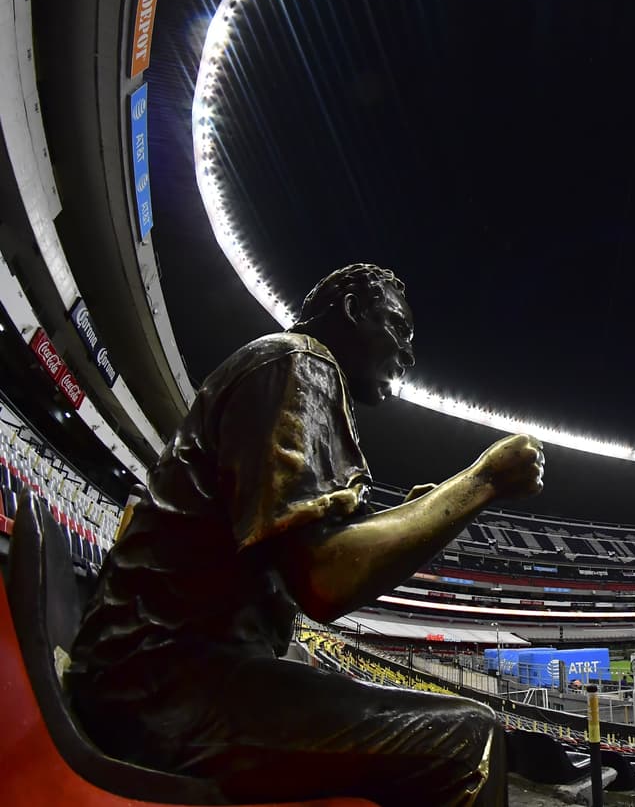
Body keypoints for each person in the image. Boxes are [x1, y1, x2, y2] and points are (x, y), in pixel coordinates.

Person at [66, 264, 544, 807]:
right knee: (471, 738)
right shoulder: (300, 362)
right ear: (351, 311)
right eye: (397, 329)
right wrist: (481, 482)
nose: (408, 354)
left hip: (149, 676)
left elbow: (306, 554)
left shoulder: (278, 366)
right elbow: (327, 581)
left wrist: (420, 516)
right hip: (161, 689)